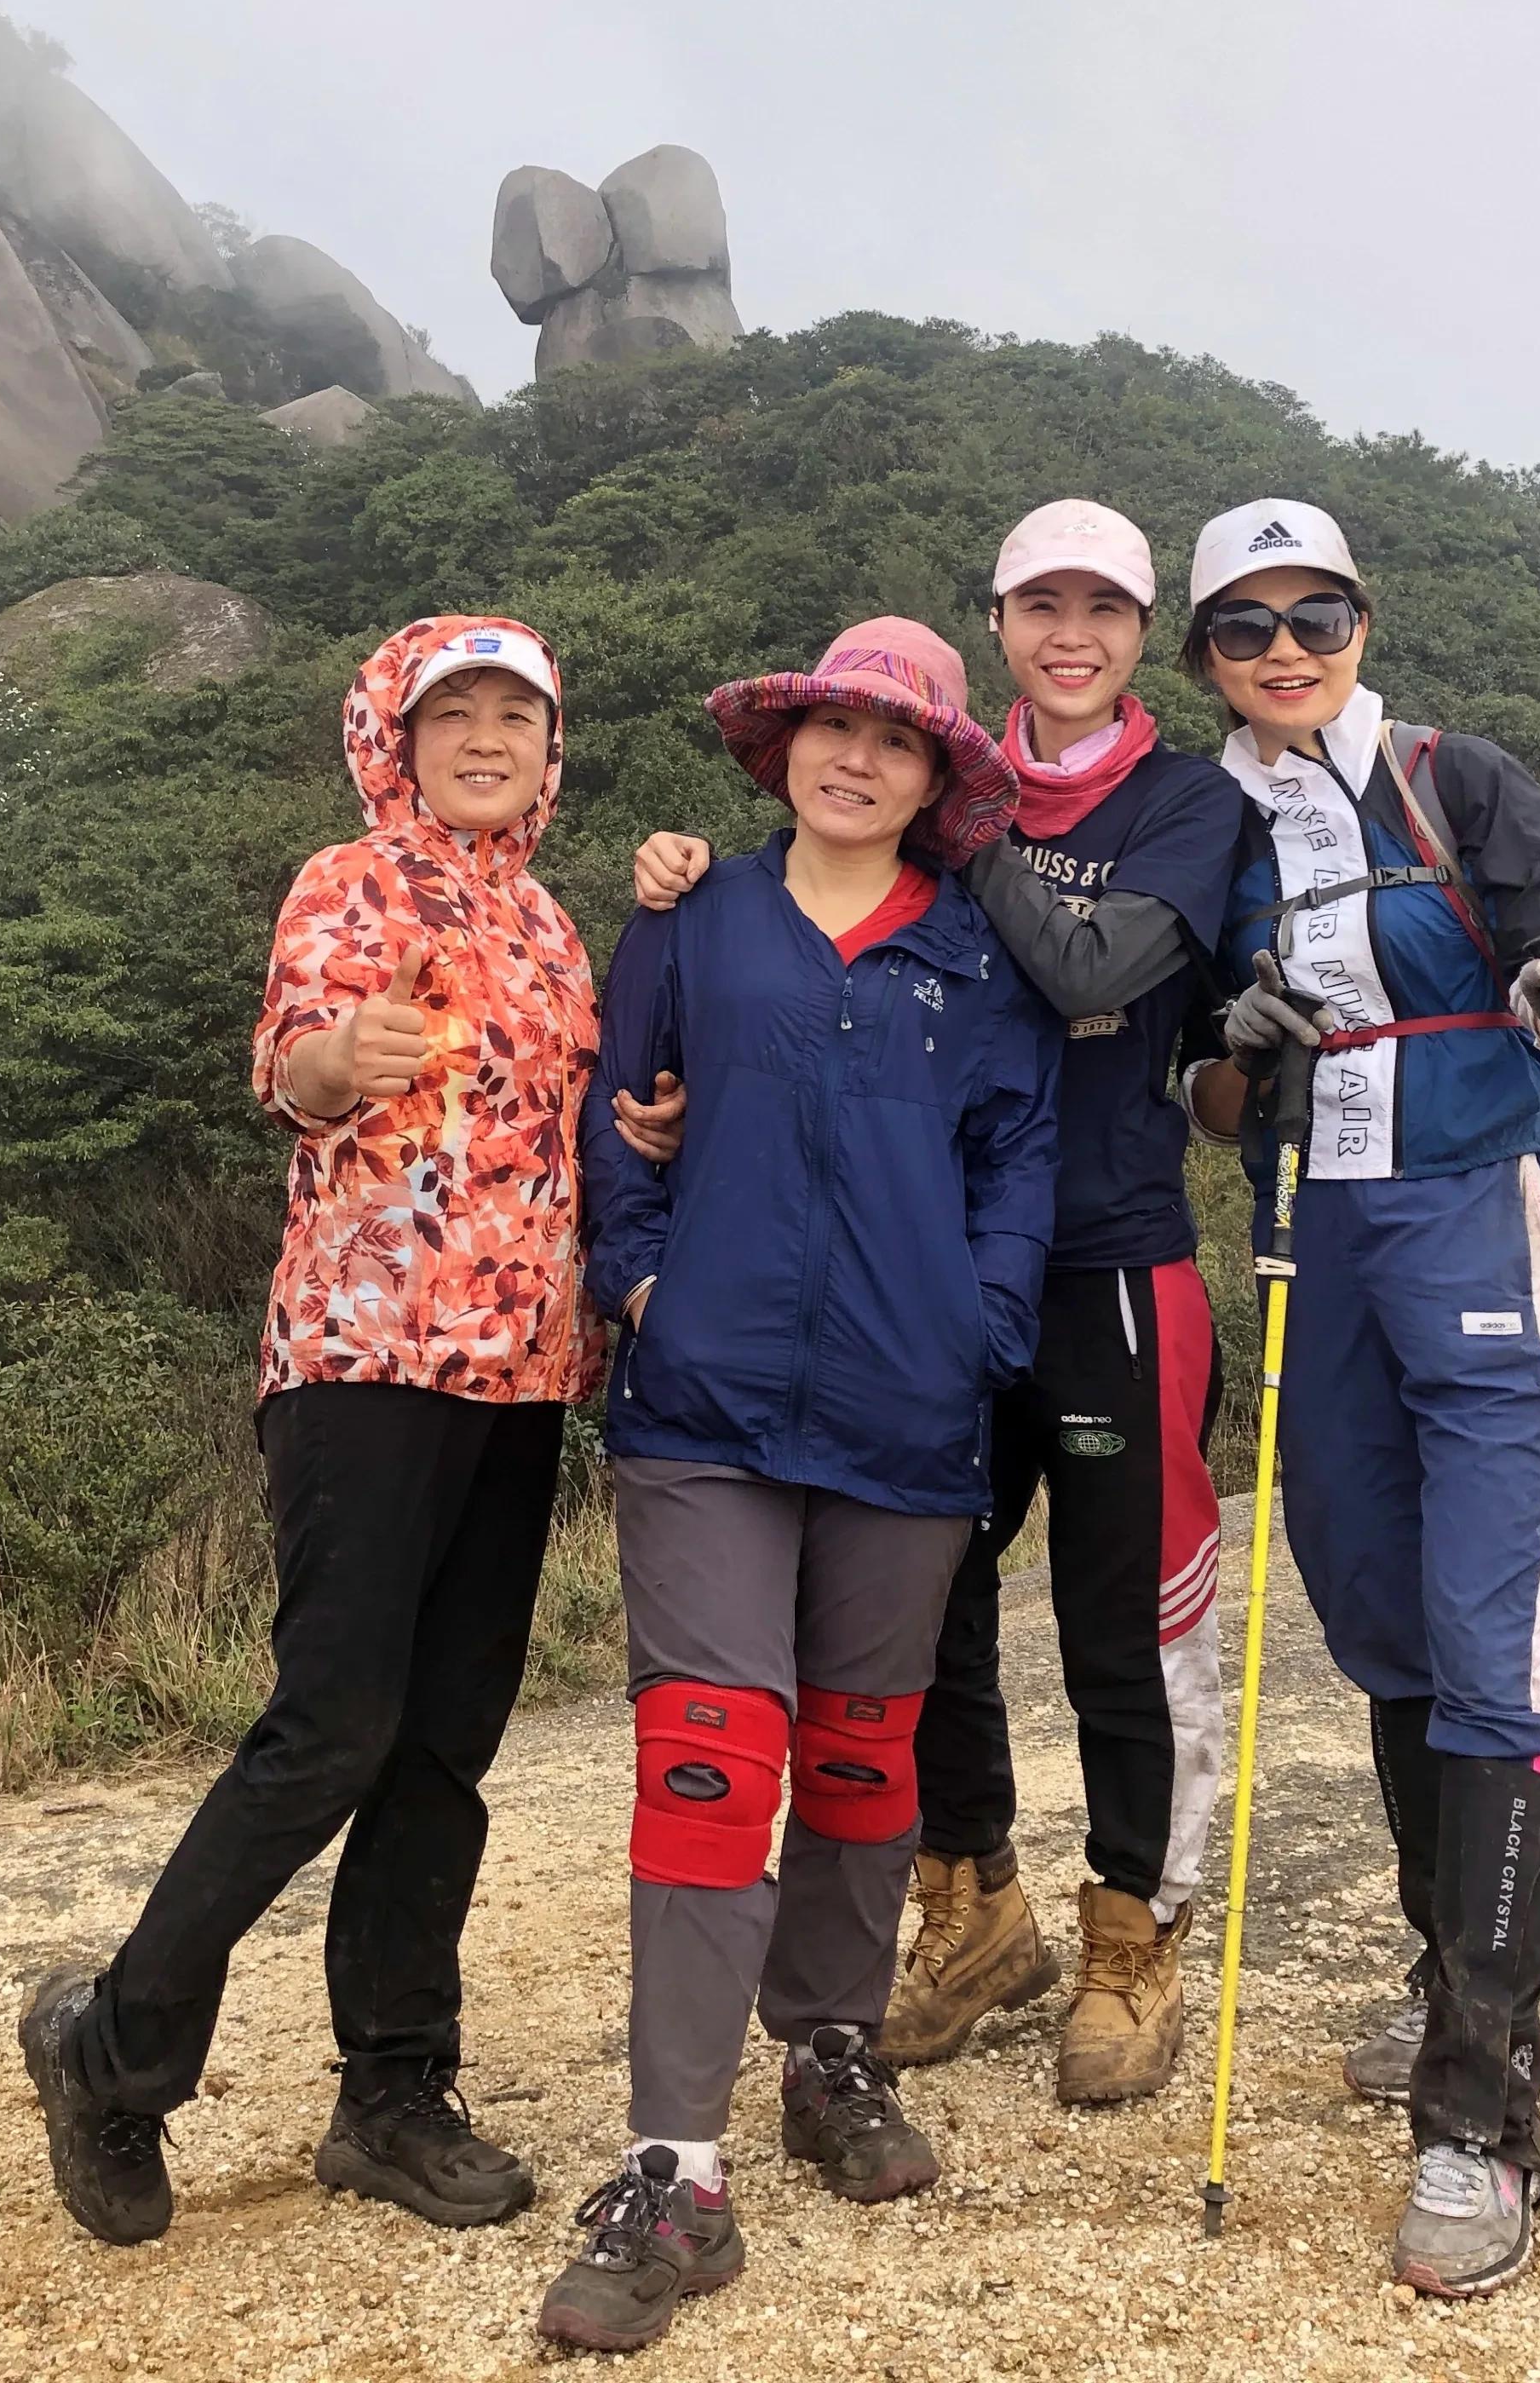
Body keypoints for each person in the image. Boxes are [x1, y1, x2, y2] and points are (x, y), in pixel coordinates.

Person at [623, 499, 1248, 2110]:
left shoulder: (1185, 799)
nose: (1073, 634)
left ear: (1140, 631)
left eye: (1105, 608)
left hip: (1110, 1257)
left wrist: (968, 825)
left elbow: (1104, 977)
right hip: (910, 1282)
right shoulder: (904, 824)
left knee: (1122, 1615)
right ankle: (973, 1902)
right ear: (1000, 624)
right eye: (1043, 604)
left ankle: (1135, 1922)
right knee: (923, 1621)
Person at [20, 616, 599, 2249]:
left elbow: (570, 1125)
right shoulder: (345, 880)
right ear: (391, 739)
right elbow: (292, 1061)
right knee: (331, 1727)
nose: (487, 736)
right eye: (454, 713)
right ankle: (114, 2057)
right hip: (362, 1354)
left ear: (552, 752)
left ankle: (393, 2096)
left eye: (518, 715)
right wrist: (342, 1057)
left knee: (442, 1750)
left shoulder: (555, 925)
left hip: (523, 1369)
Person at [533, 621, 1060, 2355]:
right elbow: (623, 1113)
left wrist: (981, 1325)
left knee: (859, 1743)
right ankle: (674, 2166)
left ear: (933, 782)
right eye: (834, 728)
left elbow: (1015, 1160)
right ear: (788, 753)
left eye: (897, 744)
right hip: (708, 1402)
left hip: (909, 1417)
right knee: (710, 1742)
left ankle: (829, 2052)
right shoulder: (695, 917)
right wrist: (643, 1283)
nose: (859, 759)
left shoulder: (974, 960)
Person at [1176, 497, 1540, 2299]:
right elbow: (1202, 1104)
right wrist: (1233, 1053)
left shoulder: (1465, 779)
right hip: (1324, 1245)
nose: (1288, 650)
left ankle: (1480, 2111)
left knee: (1502, 1647)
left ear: (1366, 620)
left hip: (1479, 1208)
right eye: (1246, 627)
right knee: (1382, 1629)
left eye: (1320, 614)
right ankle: (1463, 1970)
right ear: (1203, 652)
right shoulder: (1205, 826)